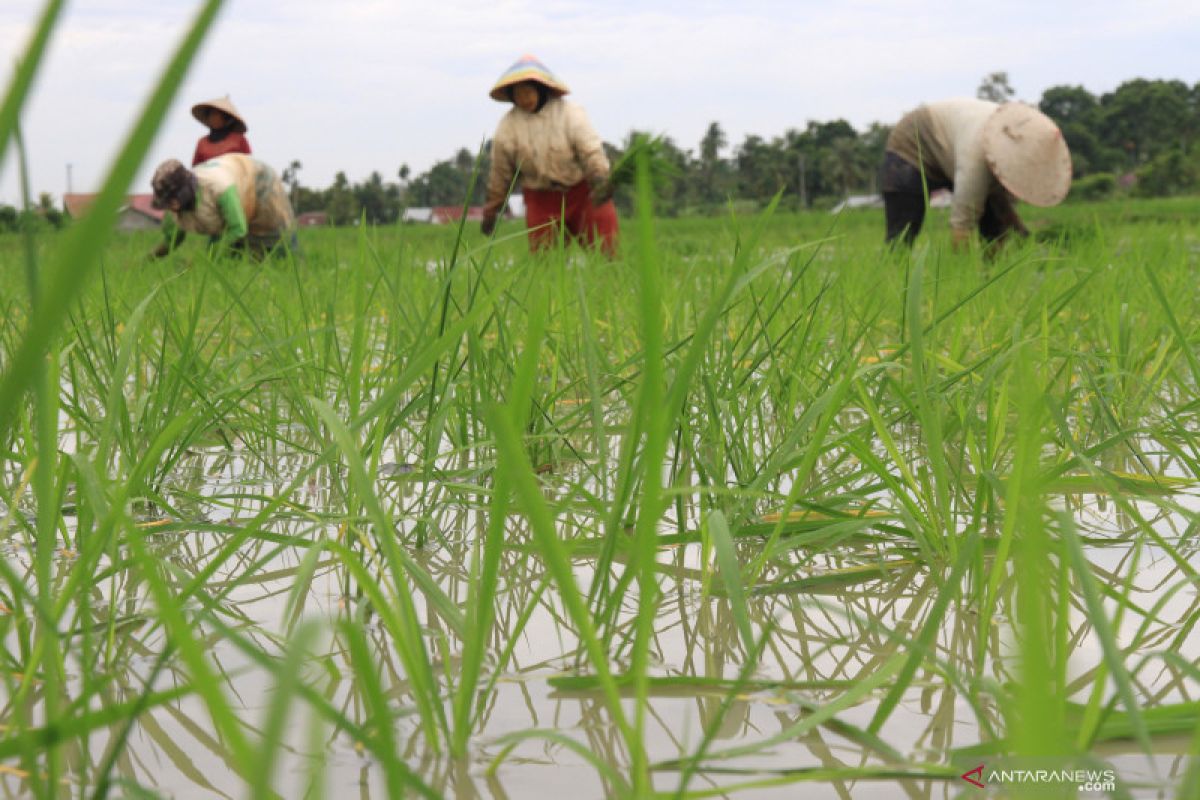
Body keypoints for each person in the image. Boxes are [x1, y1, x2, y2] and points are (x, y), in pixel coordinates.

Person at [881, 99, 1071, 249]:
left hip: (956, 141)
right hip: (913, 142)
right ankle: (893, 275)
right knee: (903, 232)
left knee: (994, 225)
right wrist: (961, 274)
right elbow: (961, 225)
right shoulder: (976, 160)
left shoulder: (1019, 139)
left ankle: (991, 276)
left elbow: (1001, 207)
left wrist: (1022, 236)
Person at [482, 55, 619, 256]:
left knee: (607, 251)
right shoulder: (507, 128)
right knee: (544, 263)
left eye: (528, 92)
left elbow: (591, 151)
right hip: (540, 199)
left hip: (583, 193)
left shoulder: (570, 115)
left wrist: (600, 179)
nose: (524, 99)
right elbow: (500, 172)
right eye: (518, 94)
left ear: (541, 89)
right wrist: (492, 209)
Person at [150, 154, 296, 259]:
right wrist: (150, 259)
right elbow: (172, 239)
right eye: (167, 202)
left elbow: (238, 229)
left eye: (173, 200)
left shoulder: (219, 188)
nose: (171, 206)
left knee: (273, 244)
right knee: (227, 257)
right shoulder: (174, 209)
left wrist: (206, 260)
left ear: (185, 191)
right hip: (230, 175)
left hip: (256, 180)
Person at [191, 95, 252, 167]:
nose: (212, 117)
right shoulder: (202, 142)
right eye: (210, 114)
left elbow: (249, 165)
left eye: (215, 114)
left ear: (226, 118)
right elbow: (196, 168)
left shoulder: (239, 140)